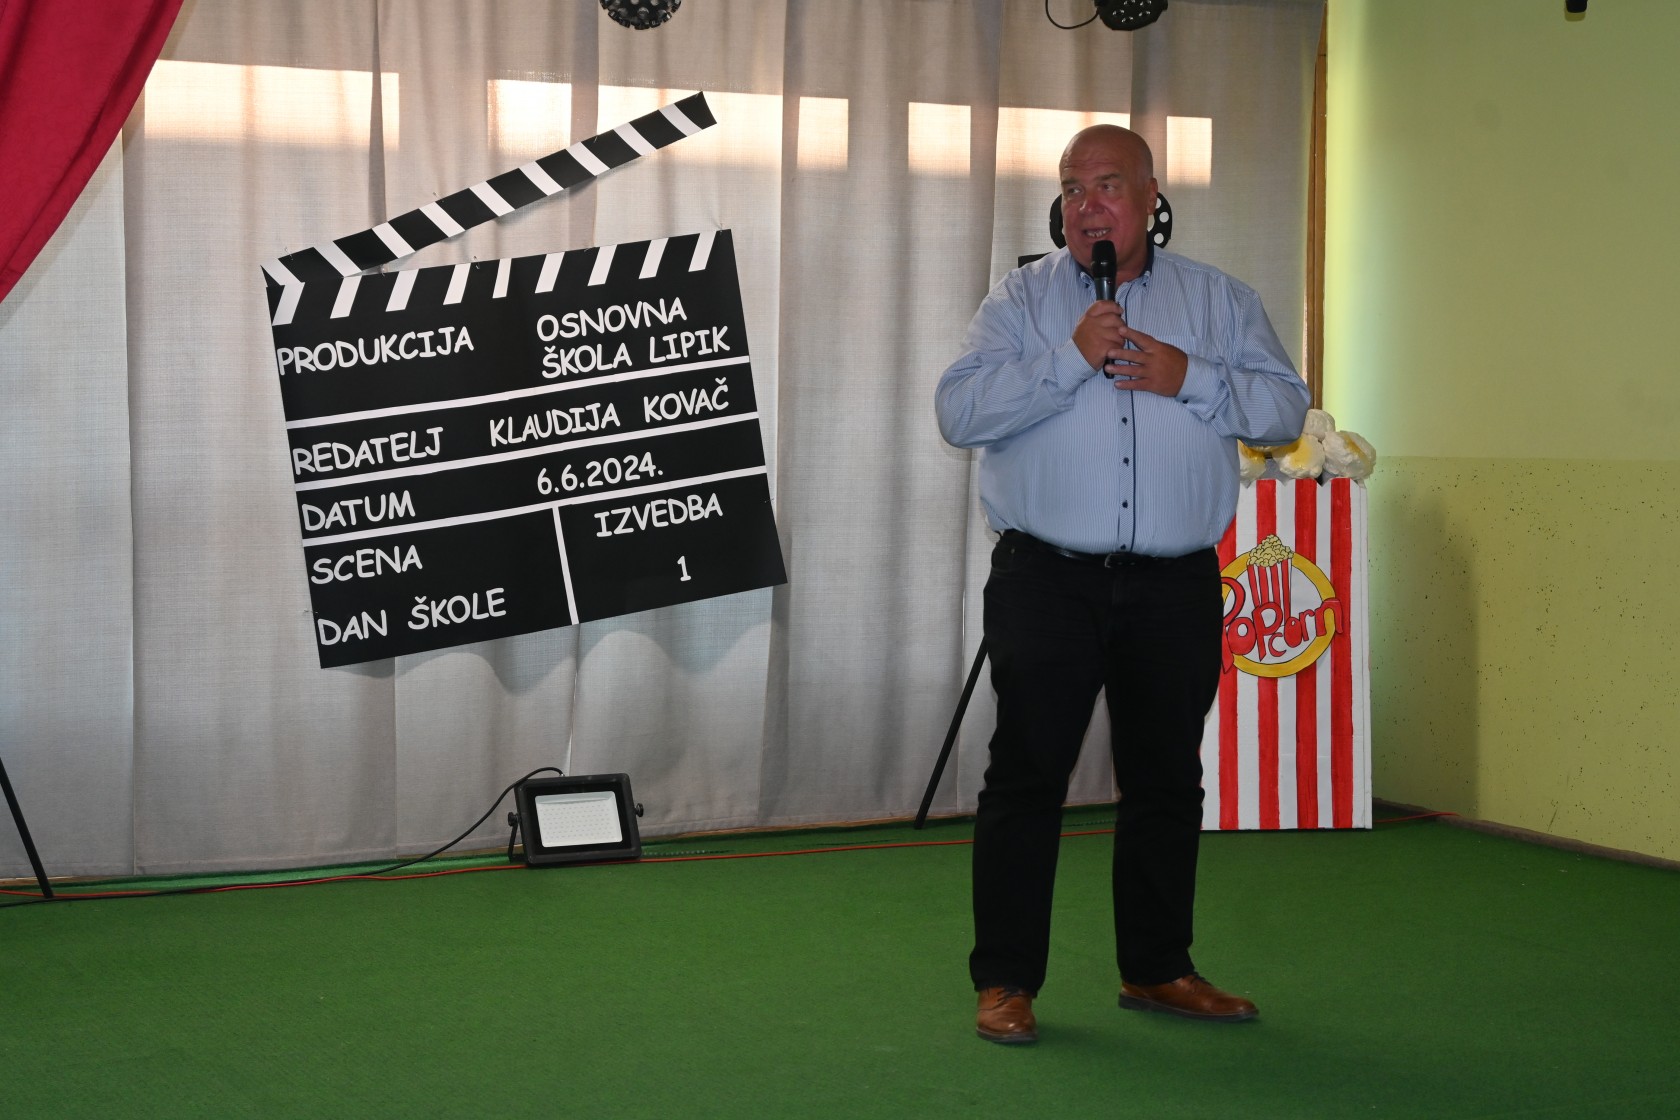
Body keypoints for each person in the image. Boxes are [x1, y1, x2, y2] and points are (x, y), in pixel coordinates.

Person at [934, 125, 1310, 1044]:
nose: (1086, 204)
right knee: (1026, 779)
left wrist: (1192, 377)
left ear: (1151, 197)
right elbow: (959, 412)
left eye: (1107, 184)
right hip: (1046, 582)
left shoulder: (1219, 300)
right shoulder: (1021, 301)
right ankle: (1006, 981)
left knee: (1166, 781)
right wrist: (1069, 357)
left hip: (1174, 586)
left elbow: (1284, 410)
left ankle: (1157, 968)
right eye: (1071, 188)